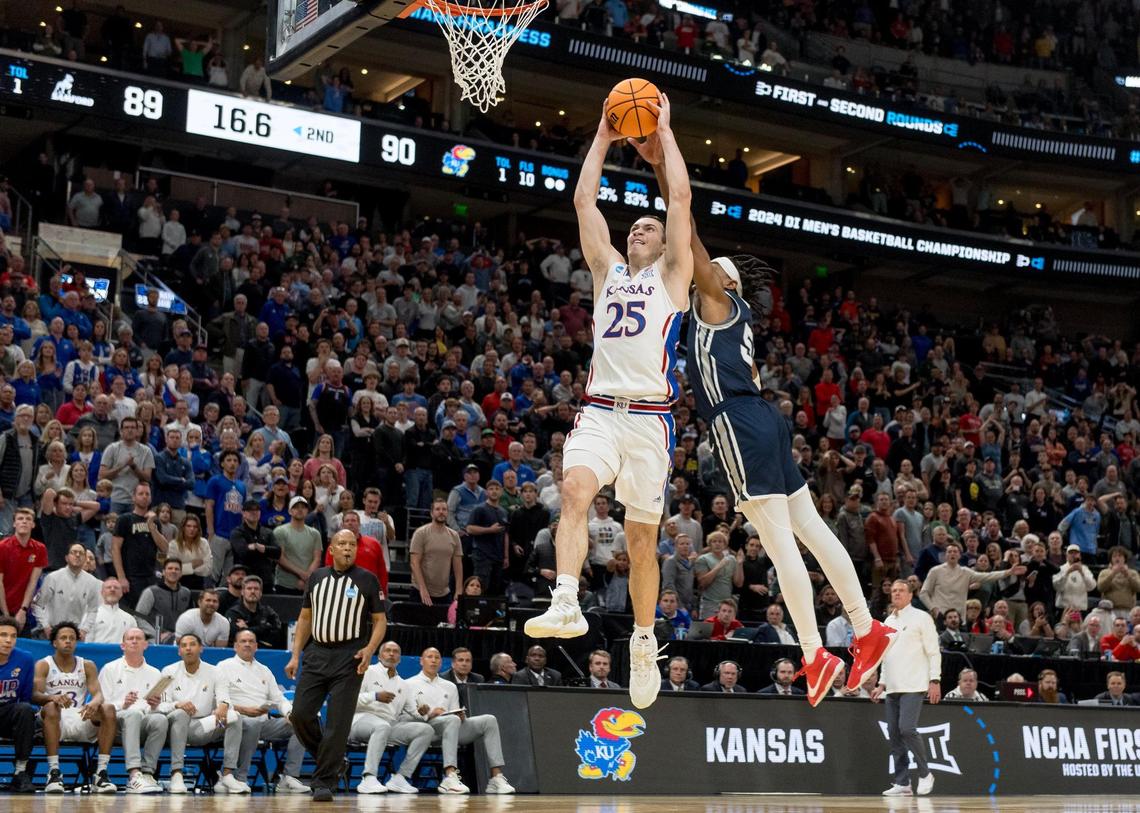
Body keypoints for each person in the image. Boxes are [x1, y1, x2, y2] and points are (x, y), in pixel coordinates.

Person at [638, 137, 894, 707]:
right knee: (814, 533)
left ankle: (812, 652)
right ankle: (866, 627)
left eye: (708, 273)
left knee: (781, 548)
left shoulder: (716, 299)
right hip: (764, 418)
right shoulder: (738, 313)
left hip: (738, 420)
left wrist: (661, 169)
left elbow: (686, 234)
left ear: (721, 285)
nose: (696, 273)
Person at [524, 93, 695, 712]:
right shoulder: (608, 272)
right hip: (598, 410)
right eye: (635, 227)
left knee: (642, 543)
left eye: (646, 227)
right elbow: (582, 201)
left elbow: (679, 200)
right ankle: (566, 597)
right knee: (572, 491)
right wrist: (601, 132)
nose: (638, 229)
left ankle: (645, 641)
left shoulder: (672, 277)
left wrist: (666, 131)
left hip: (649, 423)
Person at [285, 529, 386, 802]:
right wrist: (295, 655)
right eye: (342, 544)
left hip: (350, 655)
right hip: (317, 653)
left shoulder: (367, 580)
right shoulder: (316, 578)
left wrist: (369, 649)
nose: (347, 548)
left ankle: (323, 781)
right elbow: (305, 618)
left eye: (352, 544)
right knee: (300, 715)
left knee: (337, 723)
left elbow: (380, 621)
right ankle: (333, 761)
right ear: (331, 549)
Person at [405, 646, 516, 794]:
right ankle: (450, 776)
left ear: (441, 662)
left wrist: (460, 716)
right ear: (421, 661)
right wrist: (431, 713)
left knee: (489, 720)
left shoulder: (450, 686)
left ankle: (496, 778)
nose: (433, 660)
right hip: (426, 730)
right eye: (429, 657)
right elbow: (409, 714)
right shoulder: (409, 683)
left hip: (451, 727)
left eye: (437, 657)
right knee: (451, 720)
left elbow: (455, 713)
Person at [214, 629, 307, 794]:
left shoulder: (264, 670)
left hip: (263, 722)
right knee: (252, 722)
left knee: (301, 723)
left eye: (251, 641)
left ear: (256, 646)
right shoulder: (224, 666)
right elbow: (219, 700)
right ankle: (238, 777)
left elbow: (279, 699)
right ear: (235, 646)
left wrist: (289, 713)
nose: (247, 644)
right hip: (233, 721)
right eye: (243, 641)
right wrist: (244, 710)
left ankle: (289, 777)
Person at [873, 580, 940, 797]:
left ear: (911, 595)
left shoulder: (922, 618)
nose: (897, 594)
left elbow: (933, 652)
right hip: (892, 686)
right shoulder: (888, 621)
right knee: (894, 735)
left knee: (907, 729)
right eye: (893, 591)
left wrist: (935, 680)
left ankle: (925, 773)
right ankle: (902, 783)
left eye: (901, 590)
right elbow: (885, 657)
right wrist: (882, 683)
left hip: (914, 683)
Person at [34, 622, 118, 793]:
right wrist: (53, 697)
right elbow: (35, 695)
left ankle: (101, 773)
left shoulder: (87, 665)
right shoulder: (44, 664)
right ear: (54, 643)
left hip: (80, 716)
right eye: (63, 638)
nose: (68, 641)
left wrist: (94, 702)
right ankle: (54, 772)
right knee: (50, 707)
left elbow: (98, 694)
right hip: (54, 719)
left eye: (72, 638)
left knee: (108, 708)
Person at [156, 632, 242, 795]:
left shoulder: (215, 671)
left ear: (201, 648)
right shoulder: (168, 671)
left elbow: (224, 697)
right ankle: (176, 773)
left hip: (205, 727)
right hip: (176, 728)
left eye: (192, 644)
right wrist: (178, 704)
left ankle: (228, 774)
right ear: (179, 651)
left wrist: (223, 706)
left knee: (234, 718)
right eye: (183, 645)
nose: (188, 648)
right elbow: (161, 705)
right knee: (181, 714)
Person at [350, 640, 435, 794]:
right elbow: (349, 700)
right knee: (382, 726)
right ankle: (368, 777)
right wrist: (375, 696)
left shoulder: (403, 684)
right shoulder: (366, 671)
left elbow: (413, 712)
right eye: (387, 650)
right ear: (379, 655)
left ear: (400, 658)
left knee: (425, 730)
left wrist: (422, 712)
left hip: (388, 725)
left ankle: (400, 778)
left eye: (395, 652)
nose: (391, 654)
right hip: (359, 721)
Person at [97, 627, 168, 794]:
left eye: (138, 638)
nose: (134, 641)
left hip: (142, 722)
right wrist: (124, 704)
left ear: (146, 645)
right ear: (122, 645)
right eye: (130, 638)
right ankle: (134, 774)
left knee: (160, 719)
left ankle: (148, 773)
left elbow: (164, 706)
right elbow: (102, 706)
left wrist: (155, 705)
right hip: (116, 726)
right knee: (133, 713)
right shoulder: (110, 669)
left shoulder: (154, 672)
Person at [111, 481, 167, 610]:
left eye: (147, 494)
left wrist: (152, 526)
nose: (144, 496)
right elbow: (115, 549)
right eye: (141, 493)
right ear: (134, 497)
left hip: (150, 575)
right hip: (131, 576)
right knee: (135, 612)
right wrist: (121, 577)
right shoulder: (124, 519)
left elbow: (165, 548)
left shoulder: (155, 521)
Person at [31, 542, 102, 639]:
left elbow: (93, 610)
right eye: (74, 552)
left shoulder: (92, 582)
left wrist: (85, 629)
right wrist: (45, 626)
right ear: (66, 558)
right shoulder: (53, 578)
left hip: (76, 632)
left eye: (81, 553)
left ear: (85, 558)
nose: (77, 555)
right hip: (53, 630)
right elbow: (37, 605)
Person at [0, 615, 37, 792]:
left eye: (13, 636)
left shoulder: (25, 659)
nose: (8, 640)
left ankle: (20, 772)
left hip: (9, 714)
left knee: (25, 709)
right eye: (3, 635)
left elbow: (26, 696)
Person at [409, 497, 463, 618]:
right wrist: (423, 589)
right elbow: (414, 563)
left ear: (448, 513)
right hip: (420, 591)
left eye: (444, 509)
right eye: (438, 509)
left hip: (444, 592)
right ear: (431, 513)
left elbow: (458, 565)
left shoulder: (454, 536)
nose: (441, 512)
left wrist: (459, 589)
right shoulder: (421, 533)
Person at [0, 507, 46, 629]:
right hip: (2, 605)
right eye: (20, 519)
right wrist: (6, 615)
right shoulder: (2, 547)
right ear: (14, 524)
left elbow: (33, 582)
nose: (24, 521)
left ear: (33, 524)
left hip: (22, 608)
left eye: (28, 519)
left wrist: (23, 610)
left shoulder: (40, 549)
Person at [135, 558, 192, 642]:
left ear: (181, 573)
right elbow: (139, 617)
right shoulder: (151, 592)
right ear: (163, 572)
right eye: (170, 568)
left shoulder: (186, 593)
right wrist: (156, 634)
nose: (173, 571)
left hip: (181, 637)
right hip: (155, 638)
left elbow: (191, 618)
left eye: (177, 569)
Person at [225, 575, 284, 648]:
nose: (253, 591)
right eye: (249, 588)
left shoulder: (268, 612)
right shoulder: (233, 612)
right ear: (242, 592)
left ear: (261, 593)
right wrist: (264, 628)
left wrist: (247, 629)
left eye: (256, 589)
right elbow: (236, 635)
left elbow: (277, 632)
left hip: (265, 653)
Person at [80, 578, 135, 642]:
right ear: (102, 593)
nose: (112, 589)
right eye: (108, 587)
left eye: (116, 588)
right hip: (98, 651)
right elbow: (87, 643)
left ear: (121, 593)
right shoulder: (90, 617)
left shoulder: (129, 619)